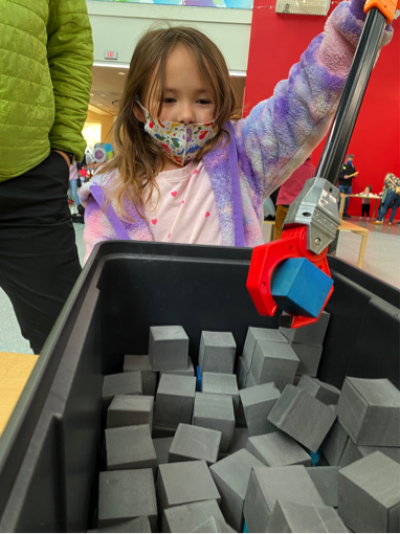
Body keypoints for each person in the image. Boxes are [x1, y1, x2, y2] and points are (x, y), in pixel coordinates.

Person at [80, 0, 393, 263]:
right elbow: (106, 288)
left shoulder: (243, 155)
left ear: (219, 104)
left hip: (234, 327)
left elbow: (305, 99)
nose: (187, 114)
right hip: (151, 333)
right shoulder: (112, 197)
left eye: (202, 100)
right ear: (138, 108)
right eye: (169, 99)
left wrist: (355, 29)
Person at [0, 2, 93, 353]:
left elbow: (70, 43)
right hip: (35, 176)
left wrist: (63, 151)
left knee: (72, 347)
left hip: (29, 182)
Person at [273, 157, 316, 240]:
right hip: (299, 207)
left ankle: (276, 251)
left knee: (279, 233)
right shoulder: (312, 169)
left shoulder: (288, 166)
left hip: (283, 202)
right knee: (295, 235)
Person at [338, 154, 357, 218]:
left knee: (347, 200)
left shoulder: (352, 166)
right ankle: (338, 212)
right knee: (340, 199)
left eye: (351, 161)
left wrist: (354, 175)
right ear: (346, 159)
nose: (350, 162)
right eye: (349, 160)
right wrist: (343, 177)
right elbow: (338, 175)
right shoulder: (342, 165)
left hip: (349, 185)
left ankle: (344, 212)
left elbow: (354, 173)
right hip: (341, 185)